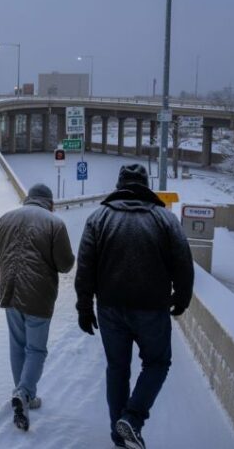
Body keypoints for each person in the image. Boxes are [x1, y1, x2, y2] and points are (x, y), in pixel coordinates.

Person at [75, 164, 194, 449]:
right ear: (146, 185)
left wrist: (84, 307)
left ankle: (120, 436)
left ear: (119, 185)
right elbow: (183, 263)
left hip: (110, 307)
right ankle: (132, 419)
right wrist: (182, 297)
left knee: (117, 368)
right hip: (152, 307)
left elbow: (85, 268)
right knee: (157, 363)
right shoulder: (164, 219)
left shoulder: (98, 218)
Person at [0, 183, 75, 431]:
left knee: (17, 344)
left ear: (28, 199)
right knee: (36, 349)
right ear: (50, 203)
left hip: (10, 288)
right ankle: (25, 393)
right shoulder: (54, 223)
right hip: (38, 293)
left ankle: (22, 394)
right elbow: (65, 264)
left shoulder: (7, 218)